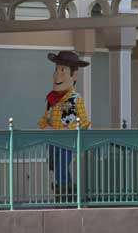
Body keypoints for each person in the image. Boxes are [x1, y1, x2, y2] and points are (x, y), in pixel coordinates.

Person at [38, 51, 90, 201]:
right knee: (56, 167)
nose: (57, 75)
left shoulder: (76, 99)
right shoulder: (52, 99)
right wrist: (43, 125)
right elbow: (46, 117)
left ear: (74, 76)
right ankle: (68, 194)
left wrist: (70, 129)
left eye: (63, 70)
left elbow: (85, 121)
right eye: (56, 69)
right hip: (52, 140)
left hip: (67, 141)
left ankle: (63, 199)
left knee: (61, 168)